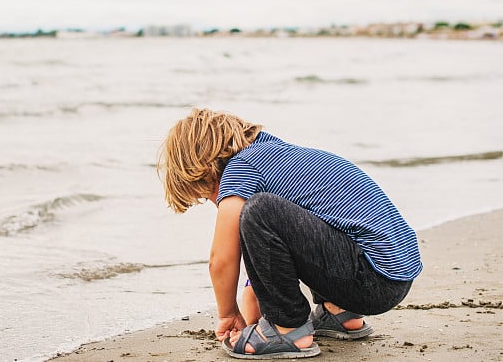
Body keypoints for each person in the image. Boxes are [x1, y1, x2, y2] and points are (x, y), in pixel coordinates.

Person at [158, 108, 422, 359]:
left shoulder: (240, 168)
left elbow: (221, 260)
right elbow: (293, 235)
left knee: (258, 210)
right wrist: (254, 288)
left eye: (208, 194)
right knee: (288, 212)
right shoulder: (279, 155)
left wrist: (228, 314)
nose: (218, 202)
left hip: (370, 278)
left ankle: (288, 329)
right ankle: (340, 313)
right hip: (392, 275)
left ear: (205, 168)